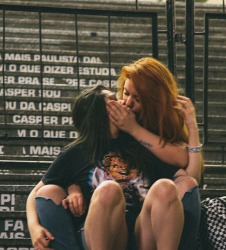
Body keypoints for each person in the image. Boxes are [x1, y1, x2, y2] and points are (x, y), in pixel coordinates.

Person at [26, 84, 192, 250]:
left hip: (140, 231)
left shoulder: (137, 143)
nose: (122, 102)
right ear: (101, 113)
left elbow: (185, 168)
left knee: (166, 187)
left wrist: (191, 127)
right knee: (109, 189)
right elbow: (36, 193)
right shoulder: (78, 151)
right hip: (101, 232)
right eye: (113, 100)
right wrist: (34, 228)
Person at [106, 57, 204, 249]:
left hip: (156, 219)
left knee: (178, 186)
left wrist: (192, 125)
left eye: (137, 98)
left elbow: (191, 177)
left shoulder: (161, 127)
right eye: (126, 93)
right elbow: (82, 157)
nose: (128, 103)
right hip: (119, 221)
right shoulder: (115, 122)